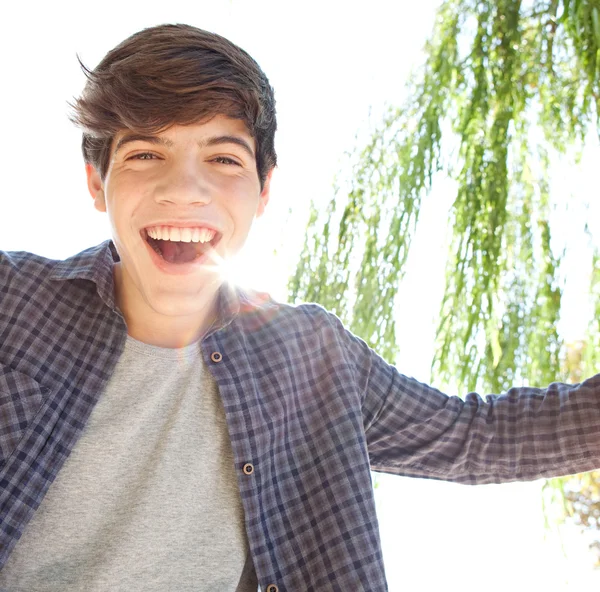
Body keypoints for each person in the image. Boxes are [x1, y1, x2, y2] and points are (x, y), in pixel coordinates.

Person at [0, 23, 598, 592]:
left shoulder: (312, 358)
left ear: (264, 191)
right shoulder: (13, 300)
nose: (184, 188)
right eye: (145, 155)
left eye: (224, 158)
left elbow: (480, 435)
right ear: (95, 181)